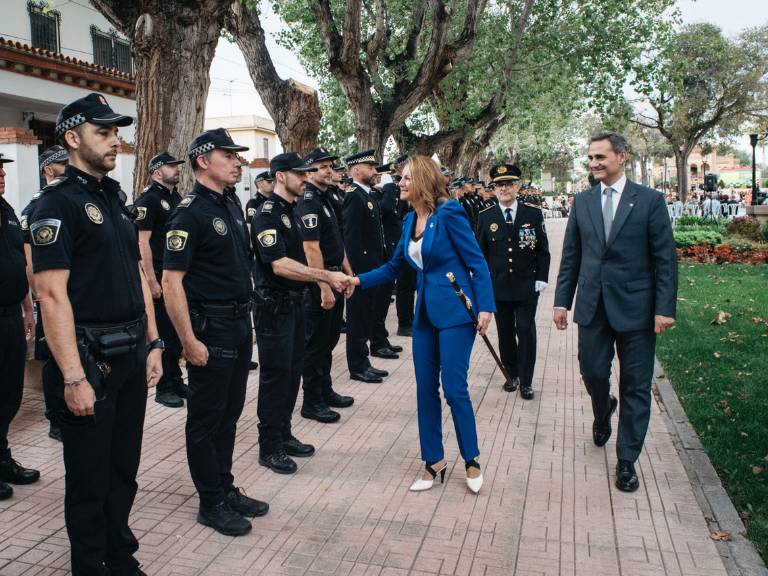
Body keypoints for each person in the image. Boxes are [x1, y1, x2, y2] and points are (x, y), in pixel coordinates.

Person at [30, 93, 163, 575]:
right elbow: (50, 296)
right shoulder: (56, 204)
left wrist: (154, 342)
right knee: (88, 478)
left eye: (115, 132)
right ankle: (89, 565)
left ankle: (119, 555)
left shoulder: (113, 199)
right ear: (71, 138)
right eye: (103, 132)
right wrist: (71, 377)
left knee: (123, 469)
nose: (114, 141)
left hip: (130, 351)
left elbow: (135, 274)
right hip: (89, 360)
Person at [349, 155, 495, 494]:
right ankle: (433, 462)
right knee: (425, 389)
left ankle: (471, 459)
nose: (399, 183)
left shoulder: (450, 213)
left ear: (424, 181)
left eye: (406, 179)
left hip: (457, 313)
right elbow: (392, 268)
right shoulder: (409, 220)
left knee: (454, 387)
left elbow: (477, 262)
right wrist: (356, 281)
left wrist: (486, 307)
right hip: (425, 316)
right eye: (400, 178)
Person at [553, 131, 677, 493]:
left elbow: (664, 260)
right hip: (592, 307)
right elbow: (571, 256)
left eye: (600, 157)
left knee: (635, 385)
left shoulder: (650, 201)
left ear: (621, 157)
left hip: (638, 310)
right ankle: (602, 406)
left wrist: (664, 308)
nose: (593, 164)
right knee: (592, 372)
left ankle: (626, 459)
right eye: (590, 158)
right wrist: (563, 300)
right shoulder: (583, 201)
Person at [163, 128, 267, 537]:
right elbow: (172, 283)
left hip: (238, 324)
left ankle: (224, 487)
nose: (238, 161)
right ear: (203, 160)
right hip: (210, 328)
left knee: (229, 415)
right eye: (229, 155)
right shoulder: (189, 212)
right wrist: (188, 342)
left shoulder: (228, 203)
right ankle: (210, 502)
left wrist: (249, 325)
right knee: (206, 419)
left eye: (238, 156)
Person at [250, 152, 351, 474]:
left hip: (293, 304)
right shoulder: (267, 214)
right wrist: (324, 277)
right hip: (273, 307)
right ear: (281, 176)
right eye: (300, 173)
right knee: (276, 376)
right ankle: (269, 446)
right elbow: (278, 264)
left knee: (293, 372)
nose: (306, 178)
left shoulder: (292, 211)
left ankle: (284, 434)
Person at [476, 163, 550, 400]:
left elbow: (543, 251)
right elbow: (481, 253)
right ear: (494, 189)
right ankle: (512, 374)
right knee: (505, 332)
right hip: (499, 287)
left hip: (527, 285)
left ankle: (527, 381)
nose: (504, 189)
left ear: (517, 186)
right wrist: (482, 284)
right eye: (499, 185)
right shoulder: (486, 216)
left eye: (508, 184)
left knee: (526, 331)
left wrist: (542, 278)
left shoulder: (533, 213)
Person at [296, 147, 355, 424]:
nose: (329, 170)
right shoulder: (308, 201)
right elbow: (311, 248)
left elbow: (337, 242)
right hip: (320, 282)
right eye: (322, 167)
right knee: (315, 344)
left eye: (330, 166)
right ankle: (312, 400)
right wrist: (323, 286)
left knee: (329, 340)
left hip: (335, 276)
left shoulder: (328, 197)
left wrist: (348, 273)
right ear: (308, 173)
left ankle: (325, 389)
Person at [20, 145, 70, 442]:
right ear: (48, 169)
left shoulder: (69, 201)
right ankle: (55, 418)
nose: (68, 167)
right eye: (62, 164)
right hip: (51, 296)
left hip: (74, 295)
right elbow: (30, 260)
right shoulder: (37, 207)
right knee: (53, 358)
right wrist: (40, 297)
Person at [134, 152, 187, 408]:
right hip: (159, 276)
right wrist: (151, 281)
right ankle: (164, 387)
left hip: (176, 277)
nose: (177, 169)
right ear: (157, 172)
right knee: (164, 332)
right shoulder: (148, 200)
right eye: (171, 166)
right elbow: (142, 242)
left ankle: (176, 380)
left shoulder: (175, 197)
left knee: (176, 332)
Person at [0, 152, 39, 502]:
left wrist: (27, 308)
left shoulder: (8, 212)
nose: (0, 174)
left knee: (9, 393)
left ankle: (3, 458)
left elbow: (17, 265)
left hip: (11, 314)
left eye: (1, 168)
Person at [342, 149, 392, 383]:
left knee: (366, 317)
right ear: (355, 170)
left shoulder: (368, 195)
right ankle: (358, 366)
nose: (374, 171)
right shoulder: (353, 195)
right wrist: (354, 273)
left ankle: (364, 362)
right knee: (357, 319)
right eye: (370, 167)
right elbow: (351, 239)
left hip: (372, 269)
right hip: (361, 271)